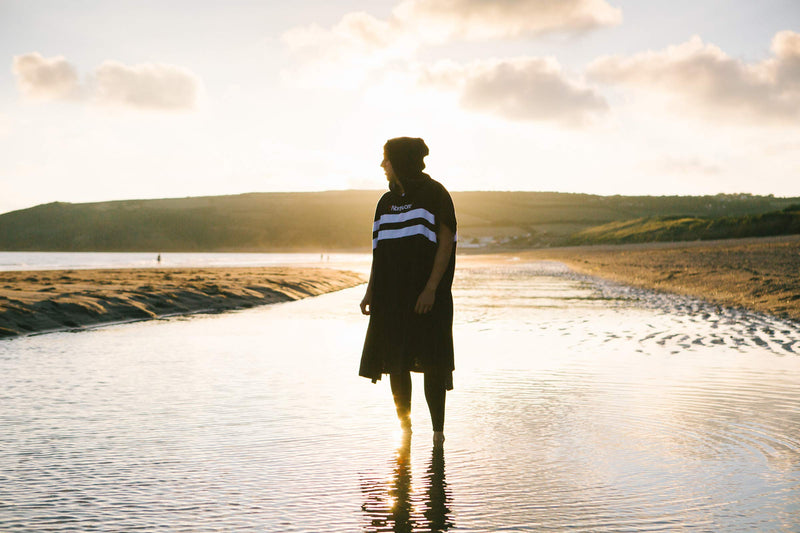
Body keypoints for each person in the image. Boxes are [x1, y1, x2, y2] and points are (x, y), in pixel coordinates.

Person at [359, 137, 457, 446]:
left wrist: (430, 289)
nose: (382, 166)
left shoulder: (435, 193)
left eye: (386, 159)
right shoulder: (384, 203)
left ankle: (438, 434)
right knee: (396, 362)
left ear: (399, 161)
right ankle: (406, 430)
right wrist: (370, 290)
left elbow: (446, 243)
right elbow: (379, 252)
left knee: (432, 362)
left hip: (428, 298)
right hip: (391, 298)